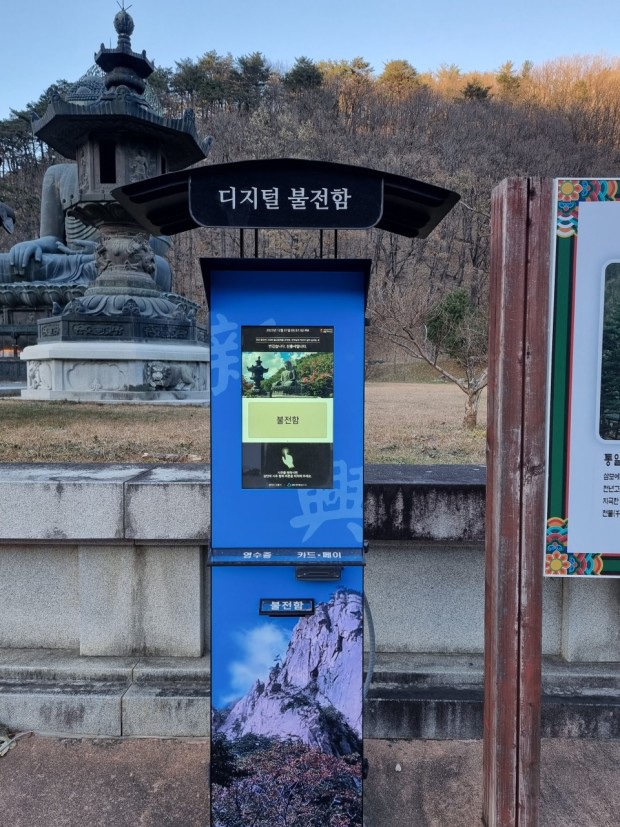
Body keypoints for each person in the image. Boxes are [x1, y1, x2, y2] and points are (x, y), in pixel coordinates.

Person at [0, 163, 172, 290]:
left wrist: (104, 250)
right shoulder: (57, 174)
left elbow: (160, 243)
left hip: (120, 260)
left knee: (159, 267)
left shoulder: (141, 169)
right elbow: (52, 238)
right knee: (8, 264)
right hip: (71, 262)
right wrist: (35, 245)